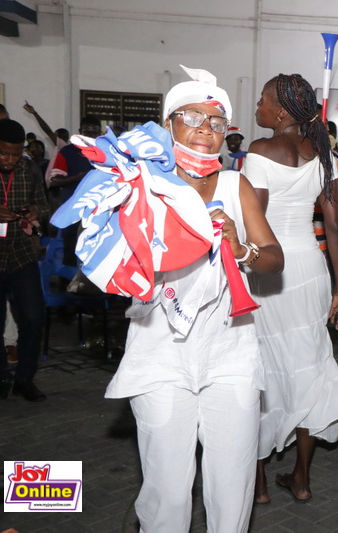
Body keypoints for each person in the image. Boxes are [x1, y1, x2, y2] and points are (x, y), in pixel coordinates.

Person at [98, 66, 284, 532]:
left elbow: (275, 260)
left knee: (233, 478)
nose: (206, 129)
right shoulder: (139, 185)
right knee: (166, 486)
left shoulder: (234, 186)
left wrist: (242, 249)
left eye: (217, 122)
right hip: (160, 350)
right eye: (192, 118)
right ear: (168, 126)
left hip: (230, 350)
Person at [244, 73, 338, 504]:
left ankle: (256, 484)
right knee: (308, 367)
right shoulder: (322, 152)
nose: (257, 106)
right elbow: (334, 226)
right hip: (311, 270)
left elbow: (251, 220)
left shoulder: (260, 151)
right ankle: (302, 479)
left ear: (278, 111)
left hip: (268, 269)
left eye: (261, 100)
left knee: (260, 370)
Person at [0, 119, 50, 402]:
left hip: (22, 255)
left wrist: (34, 212)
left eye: (16, 154)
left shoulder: (29, 169)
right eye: (4, 153)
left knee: (32, 317)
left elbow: (44, 204)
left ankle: (25, 379)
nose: (10, 159)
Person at [49, 115, 101, 267]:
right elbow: (54, 182)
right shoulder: (67, 152)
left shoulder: (105, 153)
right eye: (87, 132)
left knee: (96, 253)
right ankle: (66, 284)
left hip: (98, 213)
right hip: (74, 212)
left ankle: (94, 288)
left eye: (95, 133)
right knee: (70, 253)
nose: (91, 136)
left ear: (100, 133)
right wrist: (78, 177)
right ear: (79, 132)